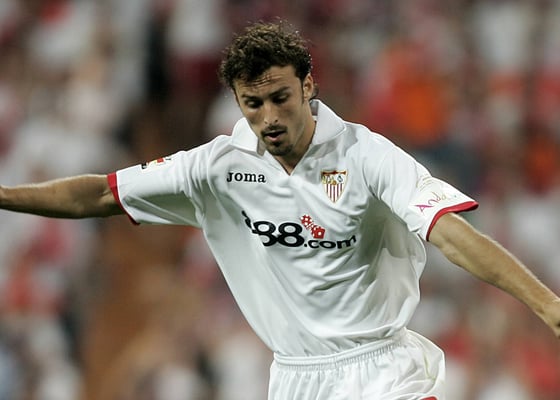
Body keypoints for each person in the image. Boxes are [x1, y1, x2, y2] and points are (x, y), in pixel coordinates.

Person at [1, 21, 559, 400]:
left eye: (280, 98)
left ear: (308, 85)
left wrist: (548, 305)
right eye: (253, 103)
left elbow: (450, 234)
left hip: (383, 371)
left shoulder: (366, 156)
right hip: (295, 378)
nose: (268, 116)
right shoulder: (217, 168)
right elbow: (100, 194)